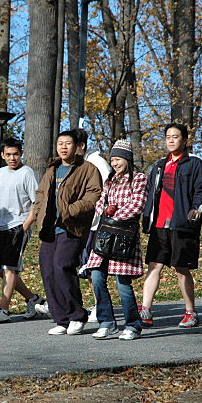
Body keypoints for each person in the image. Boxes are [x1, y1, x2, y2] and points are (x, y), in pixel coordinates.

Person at [139, 123, 202, 328]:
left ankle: (190, 312)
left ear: (185, 140)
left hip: (182, 225)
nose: (171, 140)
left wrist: (197, 209)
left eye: (175, 136)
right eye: (168, 137)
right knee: (154, 266)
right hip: (159, 225)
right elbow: (150, 194)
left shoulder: (195, 163)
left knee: (182, 268)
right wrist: (147, 217)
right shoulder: (159, 166)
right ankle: (146, 310)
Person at [31, 130, 102, 336]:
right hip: (49, 228)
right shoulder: (52, 170)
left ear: (77, 146)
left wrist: (70, 210)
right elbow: (40, 194)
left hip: (72, 227)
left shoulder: (87, 169)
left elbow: (94, 195)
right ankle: (61, 319)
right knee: (48, 271)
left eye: (68, 143)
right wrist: (38, 214)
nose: (63, 147)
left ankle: (77, 316)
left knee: (62, 266)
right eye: (60, 143)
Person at [82, 139, 147, 341]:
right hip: (104, 236)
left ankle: (133, 325)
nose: (115, 163)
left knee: (122, 283)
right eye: (112, 160)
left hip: (123, 238)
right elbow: (100, 203)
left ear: (127, 159)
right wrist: (105, 211)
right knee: (96, 277)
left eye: (118, 159)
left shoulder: (138, 178)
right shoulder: (110, 180)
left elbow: (137, 205)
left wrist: (114, 216)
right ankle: (107, 322)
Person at [0, 138, 46, 324]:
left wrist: (24, 226)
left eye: (15, 154)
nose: (12, 158)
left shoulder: (27, 173)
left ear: (21, 154)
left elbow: (36, 203)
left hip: (18, 226)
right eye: (8, 154)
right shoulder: (0, 173)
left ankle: (3, 310)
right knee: (1, 271)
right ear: (3, 155)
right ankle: (34, 300)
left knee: (9, 269)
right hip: (0, 226)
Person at [72, 128, 111, 323]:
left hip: (98, 223)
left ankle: (100, 306)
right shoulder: (77, 163)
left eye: (72, 145)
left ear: (81, 146)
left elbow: (108, 189)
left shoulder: (97, 162)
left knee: (94, 267)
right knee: (85, 267)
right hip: (82, 224)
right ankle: (96, 305)